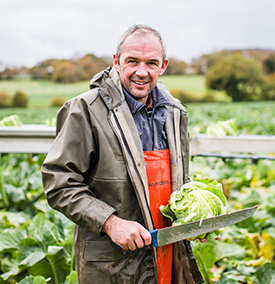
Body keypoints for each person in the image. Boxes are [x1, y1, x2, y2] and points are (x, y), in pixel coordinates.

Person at [42, 24, 204, 284]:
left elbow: (176, 182)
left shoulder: (175, 113)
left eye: (152, 63)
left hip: (167, 256)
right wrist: (110, 222)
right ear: (116, 62)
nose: (142, 72)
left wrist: (193, 218)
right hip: (114, 266)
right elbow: (58, 182)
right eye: (132, 61)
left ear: (163, 66)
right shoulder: (85, 110)